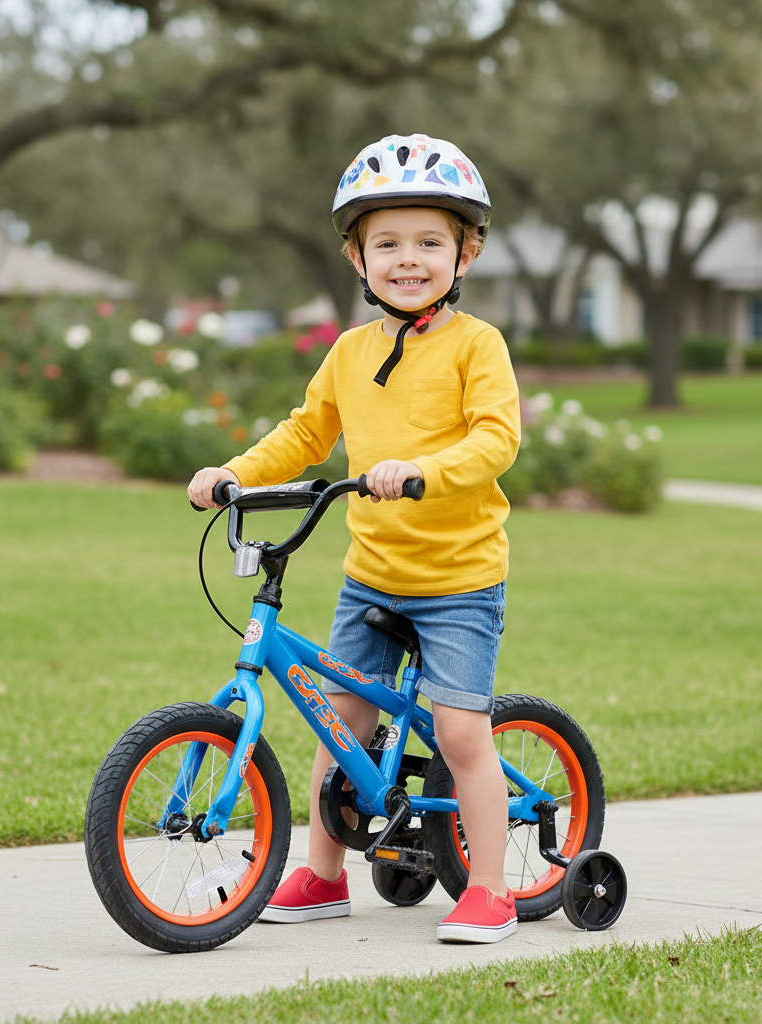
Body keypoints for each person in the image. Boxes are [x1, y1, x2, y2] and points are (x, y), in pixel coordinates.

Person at [187, 133, 521, 943]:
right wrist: (233, 472)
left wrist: (422, 470)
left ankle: (488, 889)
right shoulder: (347, 352)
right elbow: (304, 434)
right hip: (373, 573)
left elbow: (496, 439)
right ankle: (324, 873)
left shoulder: (477, 345)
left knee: (459, 732)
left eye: (430, 243)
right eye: (388, 244)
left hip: (458, 578)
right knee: (341, 720)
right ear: (358, 258)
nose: (409, 259)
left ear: (465, 253)